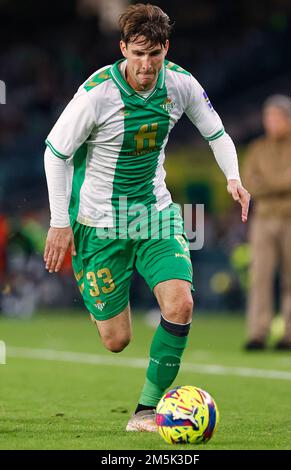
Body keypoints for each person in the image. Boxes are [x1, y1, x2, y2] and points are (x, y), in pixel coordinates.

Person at [44, 3, 250, 431]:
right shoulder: (96, 93)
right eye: (137, 54)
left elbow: (217, 132)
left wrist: (233, 177)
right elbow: (56, 153)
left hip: (154, 215)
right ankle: (103, 302)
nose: (146, 64)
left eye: (154, 54)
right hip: (98, 223)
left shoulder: (181, 84)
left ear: (165, 49)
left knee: (181, 303)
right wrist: (59, 221)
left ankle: (146, 411)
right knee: (116, 340)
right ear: (123, 49)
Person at [242, 95, 291, 351]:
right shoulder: (257, 149)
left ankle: (290, 335)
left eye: (276, 117)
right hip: (263, 220)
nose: (271, 123)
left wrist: (268, 184)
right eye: (268, 118)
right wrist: (285, 182)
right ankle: (257, 333)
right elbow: (250, 184)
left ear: (289, 120)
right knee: (260, 277)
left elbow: (261, 183)